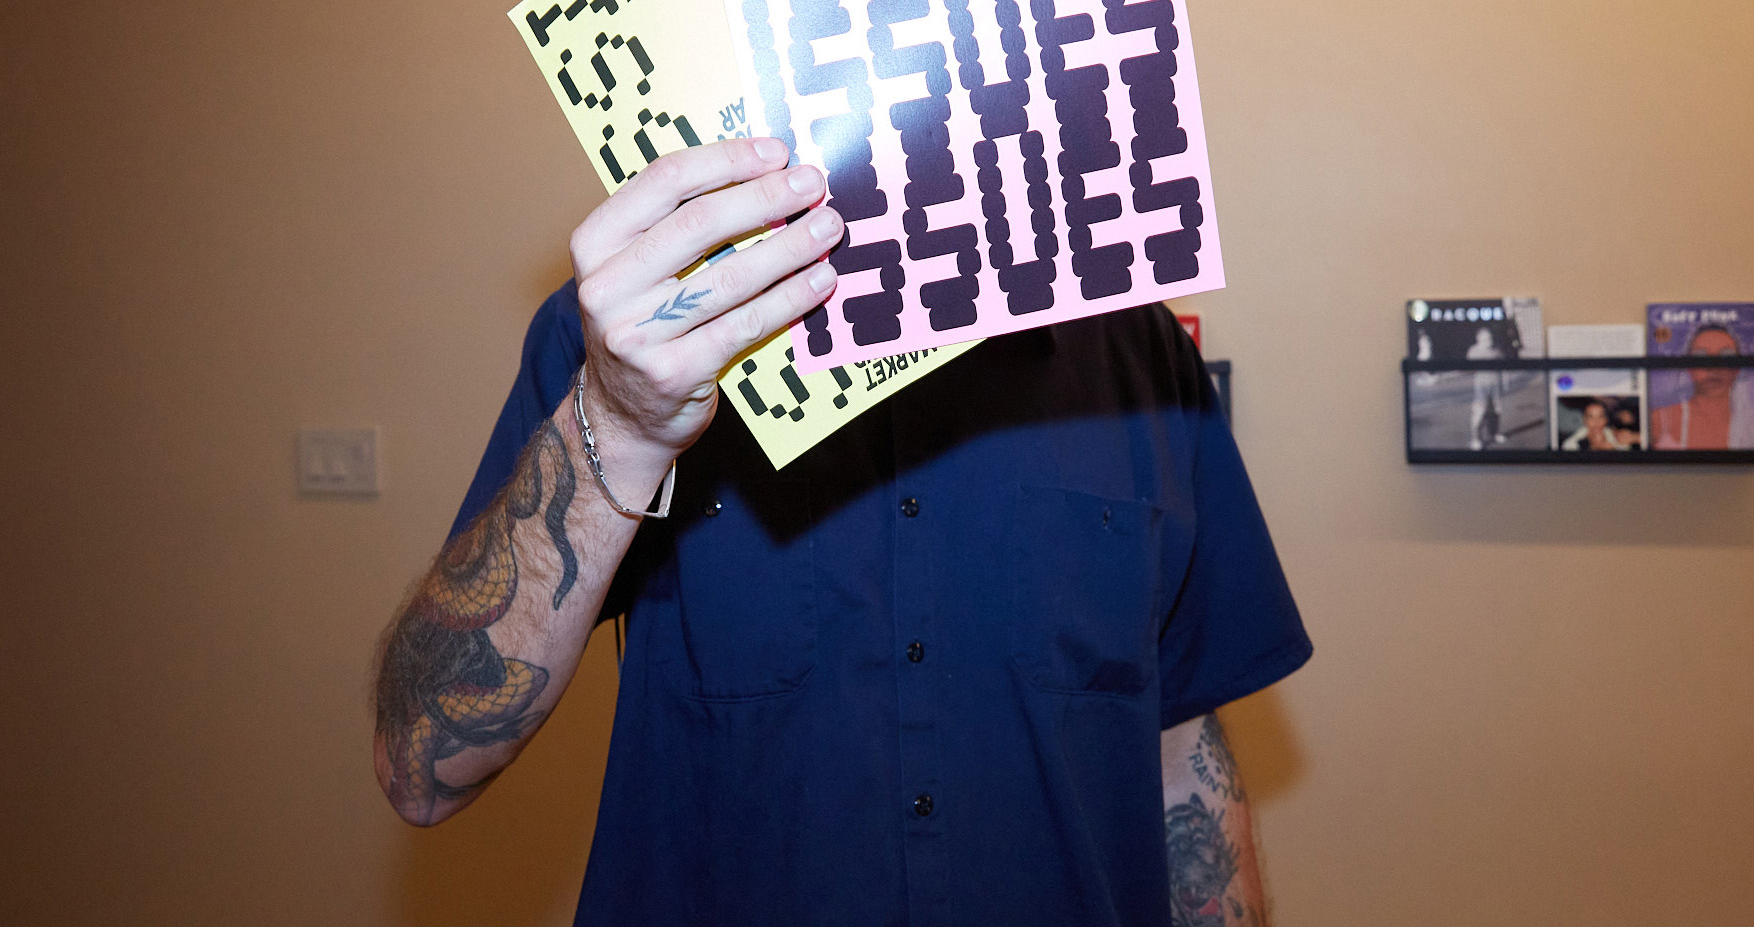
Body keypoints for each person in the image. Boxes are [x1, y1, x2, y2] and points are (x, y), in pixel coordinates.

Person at [372, 138, 1312, 925]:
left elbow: (1181, 751)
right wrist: (618, 427)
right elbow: (423, 766)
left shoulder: (1139, 349)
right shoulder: (630, 336)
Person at [1651, 325, 1750, 450]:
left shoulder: (1750, 424)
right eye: (1701, 356)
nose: (1713, 368)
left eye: (1726, 356)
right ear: (1689, 367)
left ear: (1737, 368)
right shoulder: (1660, 420)